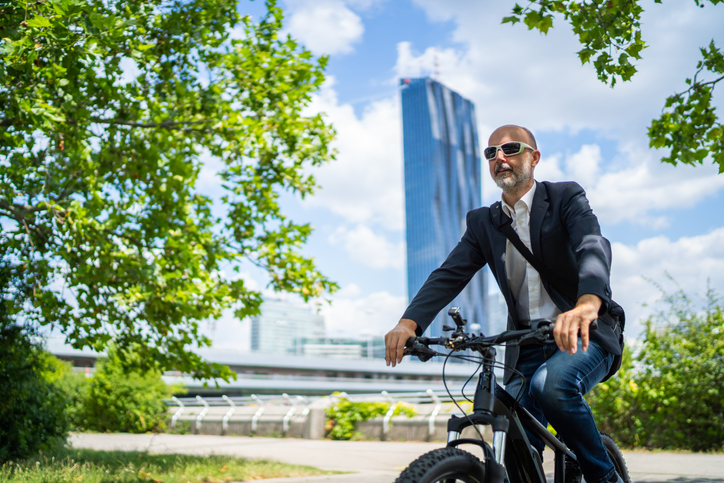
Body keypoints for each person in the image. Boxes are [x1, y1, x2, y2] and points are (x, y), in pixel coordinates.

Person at [384, 125, 624, 483]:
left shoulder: (565, 198)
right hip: (525, 346)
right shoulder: (484, 222)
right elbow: (449, 274)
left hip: (583, 334)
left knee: (551, 386)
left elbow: (592, 244)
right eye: (491, 153)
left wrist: (588, 302)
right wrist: (409, 323)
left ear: (534, 157)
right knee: (514, 434)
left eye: (510, 149)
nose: (500, 158)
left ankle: (605, 477)